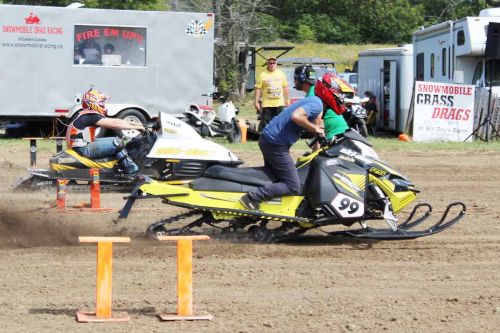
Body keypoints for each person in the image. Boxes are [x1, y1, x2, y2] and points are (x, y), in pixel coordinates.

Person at [239, 65, 343, 211]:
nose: (341, 98)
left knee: (273, 178)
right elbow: (297, 116)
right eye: (339, 95)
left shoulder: (316, 103)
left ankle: (268, 209)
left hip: (271, 140)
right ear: (330, 94)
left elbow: (317, 125)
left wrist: (320, 136)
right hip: (275, 143)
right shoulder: (316, 103)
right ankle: (252, 198)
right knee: (292, 185)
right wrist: (316, 129)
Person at [66, 88, 145, 175]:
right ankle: (133, 172)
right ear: (92, 103)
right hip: (82, 149)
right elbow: (115, 124)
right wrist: (137, 127)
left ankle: (120, 166)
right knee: (116, 143)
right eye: (101, 103)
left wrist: (136, 124)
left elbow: (116, 121)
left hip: (82, 145)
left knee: (116, 140)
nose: (103, 105)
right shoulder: (91, 116)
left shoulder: (86, 113)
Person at [309, 72, 349, 141]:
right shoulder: (316, 98)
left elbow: (318, 124)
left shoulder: (315, 97)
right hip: (339, 134)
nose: (339, 97)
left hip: (336, 135)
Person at [254, 56, 289, 131]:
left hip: (279, 103)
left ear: (276, 64)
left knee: (281, 123)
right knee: (267, 124)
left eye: (274, 63)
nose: (272, 65)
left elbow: (285, 87)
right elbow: (258, 89)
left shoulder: (281, 74)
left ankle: (279, 138)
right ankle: (267, 138)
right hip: (267, 104)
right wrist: (256, 101)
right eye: (270, 63)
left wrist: (287, 100)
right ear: (267, 64)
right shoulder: (262, 75)